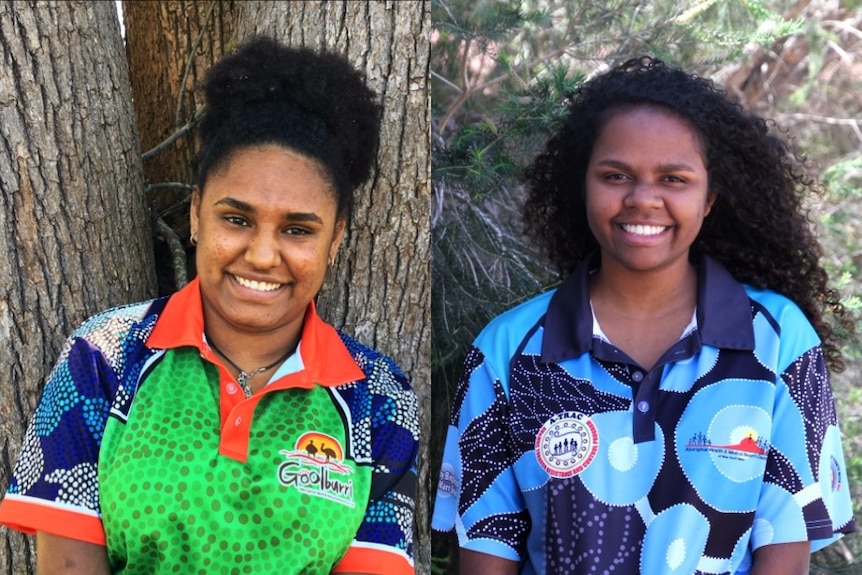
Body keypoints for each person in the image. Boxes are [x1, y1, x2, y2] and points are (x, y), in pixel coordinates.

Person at [0, 36, 419, 575]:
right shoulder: (104, 357)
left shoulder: (378, 399)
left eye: (297, 230)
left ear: (335, 240)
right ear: (197, 214)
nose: (263, 255)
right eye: (237, 220)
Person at [431, 56, 856, 574]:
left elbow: (784, 549)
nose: (643, 199)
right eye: (616, 175)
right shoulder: (505, 353)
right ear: (582, 184)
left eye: (674, 178)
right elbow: (486, 552)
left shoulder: (779, 341)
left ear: (710, 197)